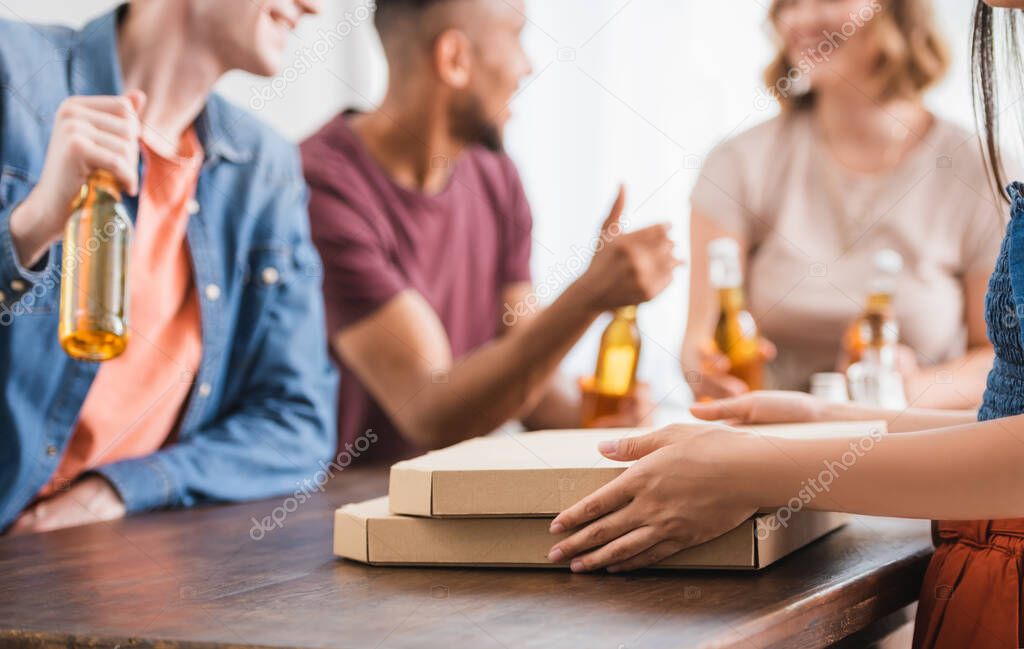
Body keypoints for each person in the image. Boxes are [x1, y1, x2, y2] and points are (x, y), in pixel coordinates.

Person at [548, 7, 1024, 646]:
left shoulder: (974, 162)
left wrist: (762, 465)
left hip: (937, 522)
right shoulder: (742, 160)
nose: (799, 17)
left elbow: (999, 400)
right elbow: (1008, 411)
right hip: (952, 540)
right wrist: (819, 420)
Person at [0, 0, 337, 534]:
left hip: (103, 563)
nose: (313, 7)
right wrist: (33, 224)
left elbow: (296, 425)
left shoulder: (264, 170)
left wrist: (123, 489)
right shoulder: (11, 70)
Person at [302, 0, 680, 464]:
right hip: (343, 513)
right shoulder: (319, 187)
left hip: (453, 502)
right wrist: (587, 297)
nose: (527, 66)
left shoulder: (496, 176)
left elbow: (526, 378)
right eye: (516, 34)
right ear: (455, 59)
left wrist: (595, 415)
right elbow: (429, 409)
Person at [682, 0, 1003, 409]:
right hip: (763, 445)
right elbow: (698, 340)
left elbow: (1001, 358)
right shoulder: (738, 163)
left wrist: (907, 389)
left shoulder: (979, 170)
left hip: (909, 447)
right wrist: (705, 371)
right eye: (790, 3)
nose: (801, 19)